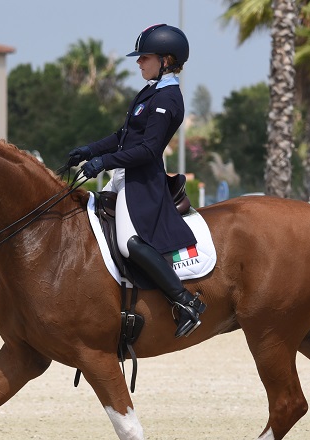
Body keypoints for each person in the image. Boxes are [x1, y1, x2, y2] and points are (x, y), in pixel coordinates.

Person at [69, 24, 206, 338]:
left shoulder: (168, 98)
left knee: (129, 244)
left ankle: (185, 302)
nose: (138, 63)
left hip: (143, 181)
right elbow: (123, 137)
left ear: (166, 59)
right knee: (88, 226)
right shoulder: (150, 92)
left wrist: (103, 162)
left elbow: (147, 150)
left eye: (145, 57)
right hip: (123, 176)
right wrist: (90, 150)